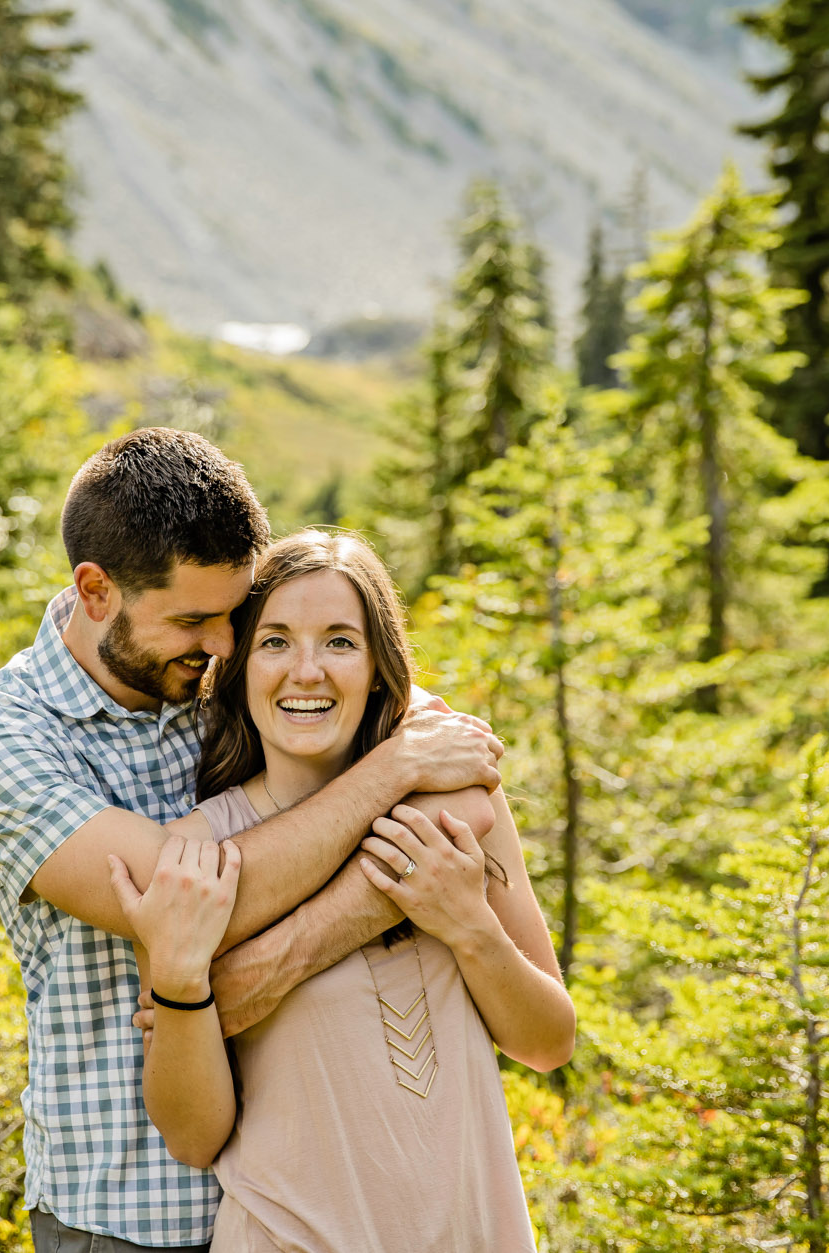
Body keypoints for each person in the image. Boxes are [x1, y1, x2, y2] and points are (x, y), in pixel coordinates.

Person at [0, 429, 504, 1252]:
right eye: (194, 619)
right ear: (96, 592)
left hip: (303, 1205)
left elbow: (454, 773)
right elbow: (185, 899)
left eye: (236, 615)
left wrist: (292, 951)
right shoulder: (0, 733)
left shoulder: (235, 671)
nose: (223, 645)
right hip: (130, 1215)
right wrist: (385, 782)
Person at [111, 529, 574, 1252]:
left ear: (378, 665)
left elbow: (549, 1041)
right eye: (275, 641)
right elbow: (194, 1136)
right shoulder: (201, 853)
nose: (307, 671)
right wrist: (179, 983)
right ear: (239, 664)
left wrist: (468, 925)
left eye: (339, 641)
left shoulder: (453, 796)